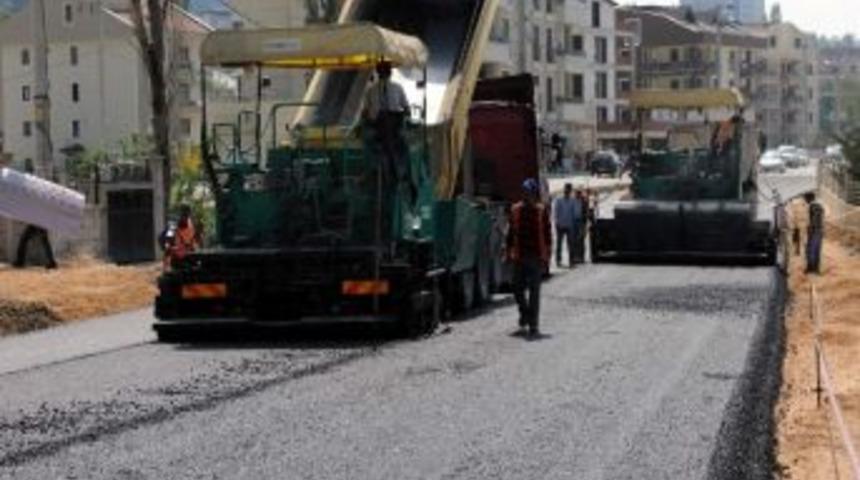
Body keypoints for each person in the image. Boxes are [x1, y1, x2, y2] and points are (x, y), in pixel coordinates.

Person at [363, 60, 415, 203]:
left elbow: (366, 112)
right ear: (390, 73)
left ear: (378, 73)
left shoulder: (372, 90)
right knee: (397, 146)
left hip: (387, 126)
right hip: (384, 127)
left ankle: (394, 173)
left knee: (392, 144)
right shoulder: (392, 88)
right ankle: (398, 174)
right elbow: (406, 107)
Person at [507, 178, 552, 337]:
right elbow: (511, 233)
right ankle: (525, 313)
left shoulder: (541, 210)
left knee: (534, 293)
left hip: (536, 257)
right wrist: (507, 252)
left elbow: (547, 235)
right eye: (524, 192)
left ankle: (533, 325)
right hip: (519, 256)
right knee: (517, 289)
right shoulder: (515, 210)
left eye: (529, 192)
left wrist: (547, 256)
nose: (527, 195)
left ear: (534, 194)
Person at [553, 183, 577, 268]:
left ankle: (571, 261)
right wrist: (556, 222)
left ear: (570, 191)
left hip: (569, 225)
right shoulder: (559, 199)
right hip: (560, 225)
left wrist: (574, 224)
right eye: (566, 189)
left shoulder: (572, 200)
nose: (567, 191)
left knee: (570, 244)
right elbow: (555, 212)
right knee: (559, 244)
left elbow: (574, 213)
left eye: (569, 190)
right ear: (564, 189)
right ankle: (558, 260)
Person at [804, 192, 824, 274]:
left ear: (809, 198)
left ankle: (811, 268)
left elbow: (815, 219)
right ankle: (816, 268)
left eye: (806, 198)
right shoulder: (819, 205)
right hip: (819, 230)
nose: (805, 200)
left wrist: (811, 229)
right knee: (817, 250)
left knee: (811, 249)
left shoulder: (813, 206)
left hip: (815, 231)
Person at [572, 190, 587, 264]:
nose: (577, 196)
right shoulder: (573, 202)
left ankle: (581, 257)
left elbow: (586, 213)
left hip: (581, 222)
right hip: (574, 222)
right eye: (576, 194)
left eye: (578, 194)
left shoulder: (584, 202)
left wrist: (585, 224)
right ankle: (575, 257)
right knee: (574, 240)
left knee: (581, 239)